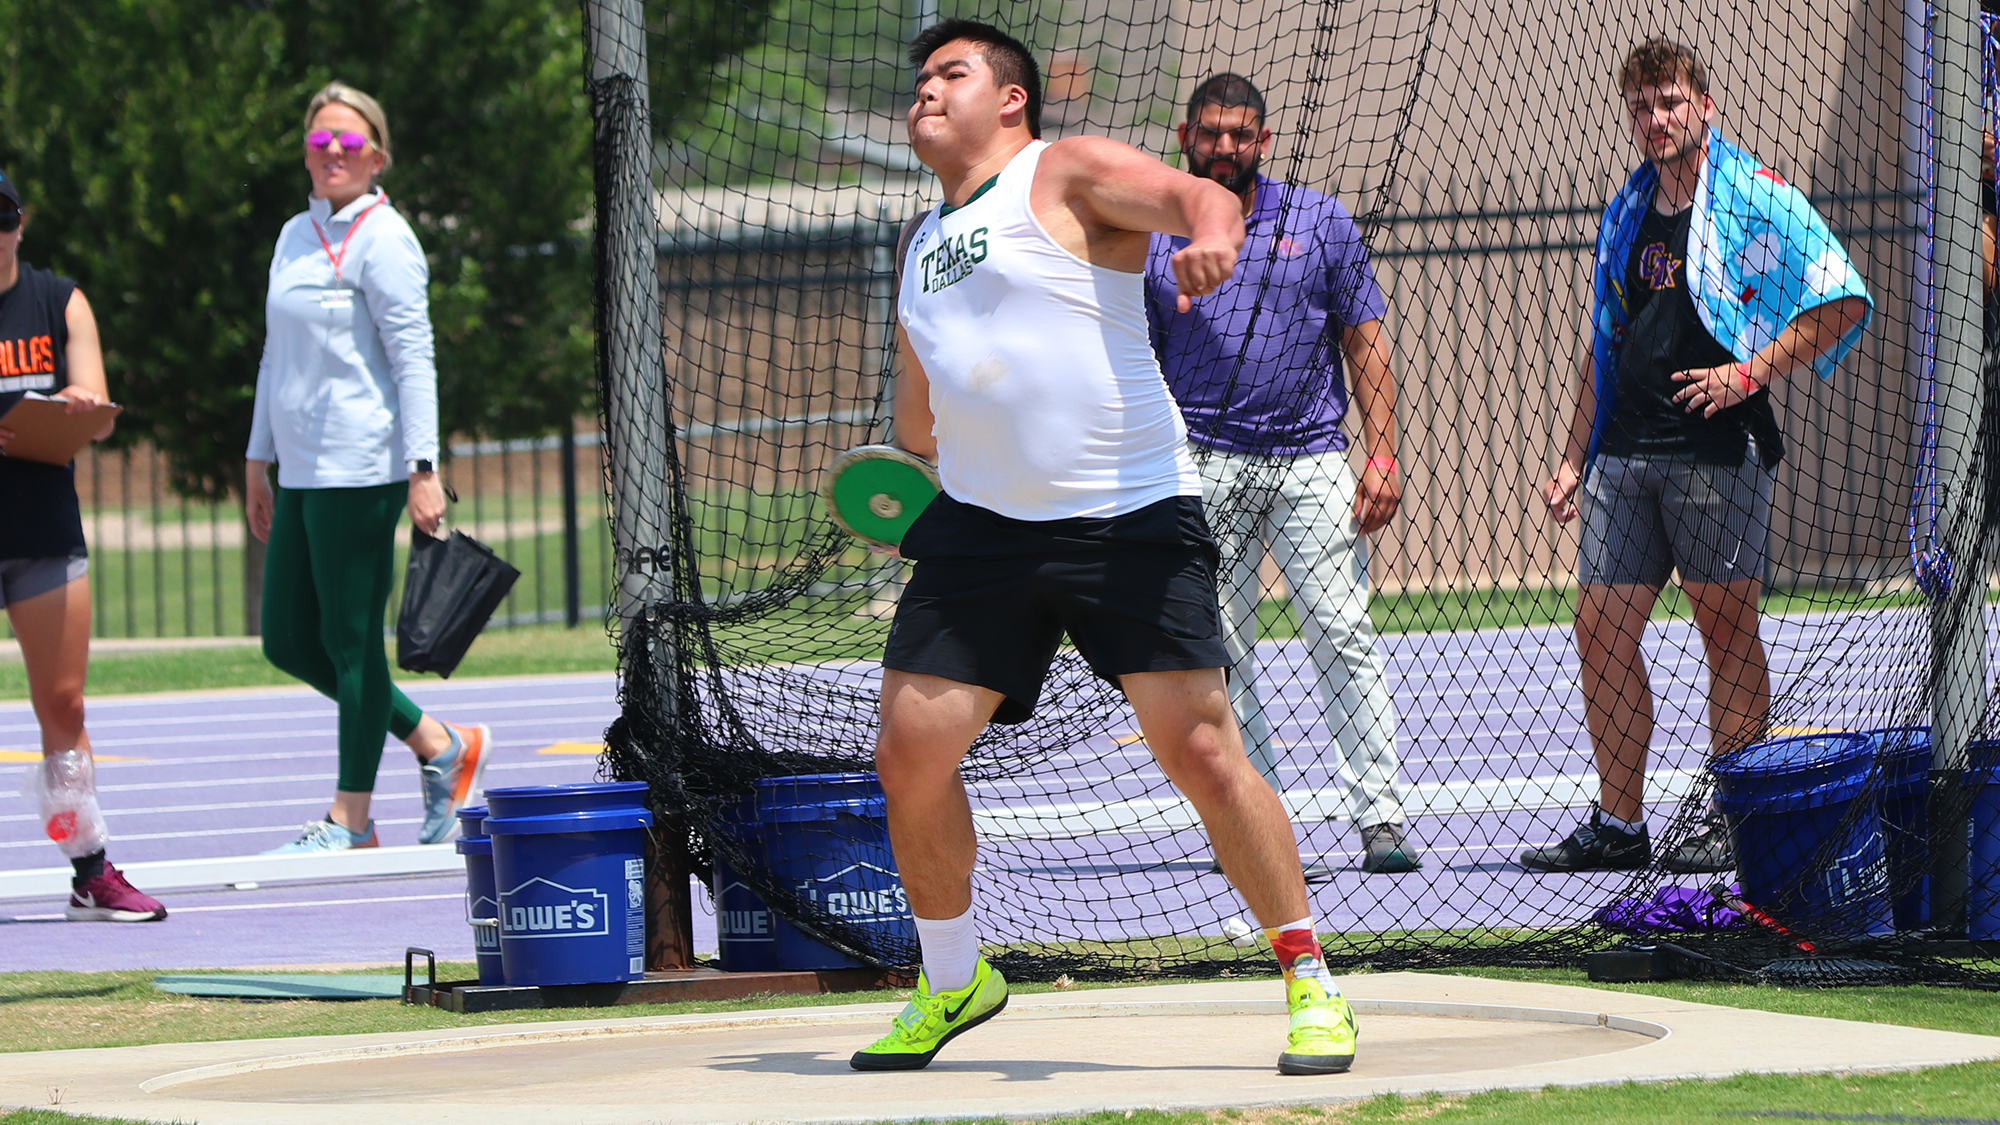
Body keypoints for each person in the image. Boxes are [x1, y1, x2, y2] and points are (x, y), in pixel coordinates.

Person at [849, 19, 1357, 1077]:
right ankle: (953, 981)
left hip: (1126, 511)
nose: (924, 93)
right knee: (909, 753)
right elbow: (916, 429)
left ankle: (1307, 978)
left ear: (1011, 101)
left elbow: (1194, 198)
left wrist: (1214, 230)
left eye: (951, 76)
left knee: (1203, 752)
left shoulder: (1064, 174)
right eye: (919, 81)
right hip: (983, 531)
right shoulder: (920, 247)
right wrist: (912, 484)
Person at [1525, 39, 1871, 873]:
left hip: (1717, 453)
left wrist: (1745, 373)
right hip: (1625, 451)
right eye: (1642, 106)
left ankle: (1732, 811)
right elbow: (1602, 345)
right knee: (1599, 628)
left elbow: (1842, 297)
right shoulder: (1628, 210)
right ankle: (1619, 822)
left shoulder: (1757, 197)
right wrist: (1575, 456)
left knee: (1727, 632)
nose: (1656, 119)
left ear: (1705, 105)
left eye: (1671, 101)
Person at [1146, 73, 1419, 876]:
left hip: (1311, 459)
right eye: (1210, 132)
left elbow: (1366, 340)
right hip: (1201, 465)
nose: (1224, 146)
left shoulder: (1319, 219)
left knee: (1341, 632)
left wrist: (1382, 454)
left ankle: (1382, 817)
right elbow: (1134, 358)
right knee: (1223, 650)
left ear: (1262, 140)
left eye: (1240, 133)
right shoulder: (1153, 232)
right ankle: (1252, 817)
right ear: (1186, 137)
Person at [246, 82, 489, 854]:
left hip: (361, 464)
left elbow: (414, 358)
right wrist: (257, 457)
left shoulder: (387, 239)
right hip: (299, 469)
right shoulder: (292, 234)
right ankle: (439, 743)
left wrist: (424, 466)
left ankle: (351, 817)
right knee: (286, 638)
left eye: (347, 145)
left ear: (375, 156)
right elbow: (272, 357)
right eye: (320, 144)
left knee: (351, 642)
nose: (332, 158)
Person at [0, 170, 167, 921]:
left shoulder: (59, 299)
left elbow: (96, 408)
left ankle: (91, 870)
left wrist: (77, 407)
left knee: (63, 701)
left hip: (41, 528)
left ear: (21, 223)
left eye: (2, 218)